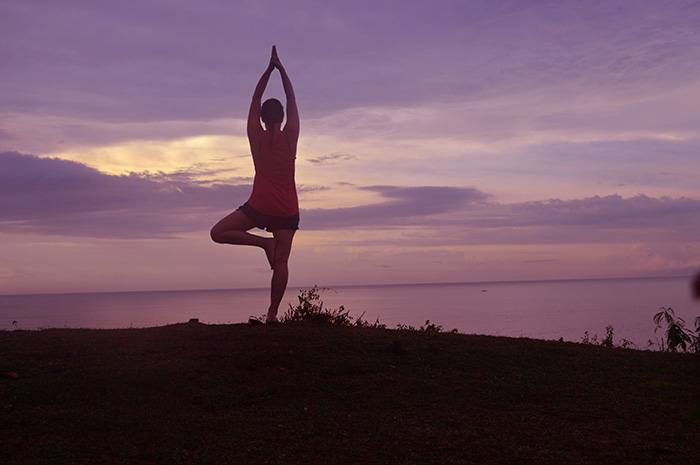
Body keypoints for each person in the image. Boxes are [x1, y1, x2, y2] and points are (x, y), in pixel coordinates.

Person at [210, 46, 299, 323]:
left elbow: (255, 96)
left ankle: (263, 244)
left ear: (261, 118)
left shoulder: (255, 137)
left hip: (259, 206)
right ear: (283, 118)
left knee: (218, 232)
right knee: (282, 263)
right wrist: (281, 69)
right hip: (286, 209)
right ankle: (272, 315)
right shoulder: (290, 136)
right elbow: (291, 97)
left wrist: (267, 70)